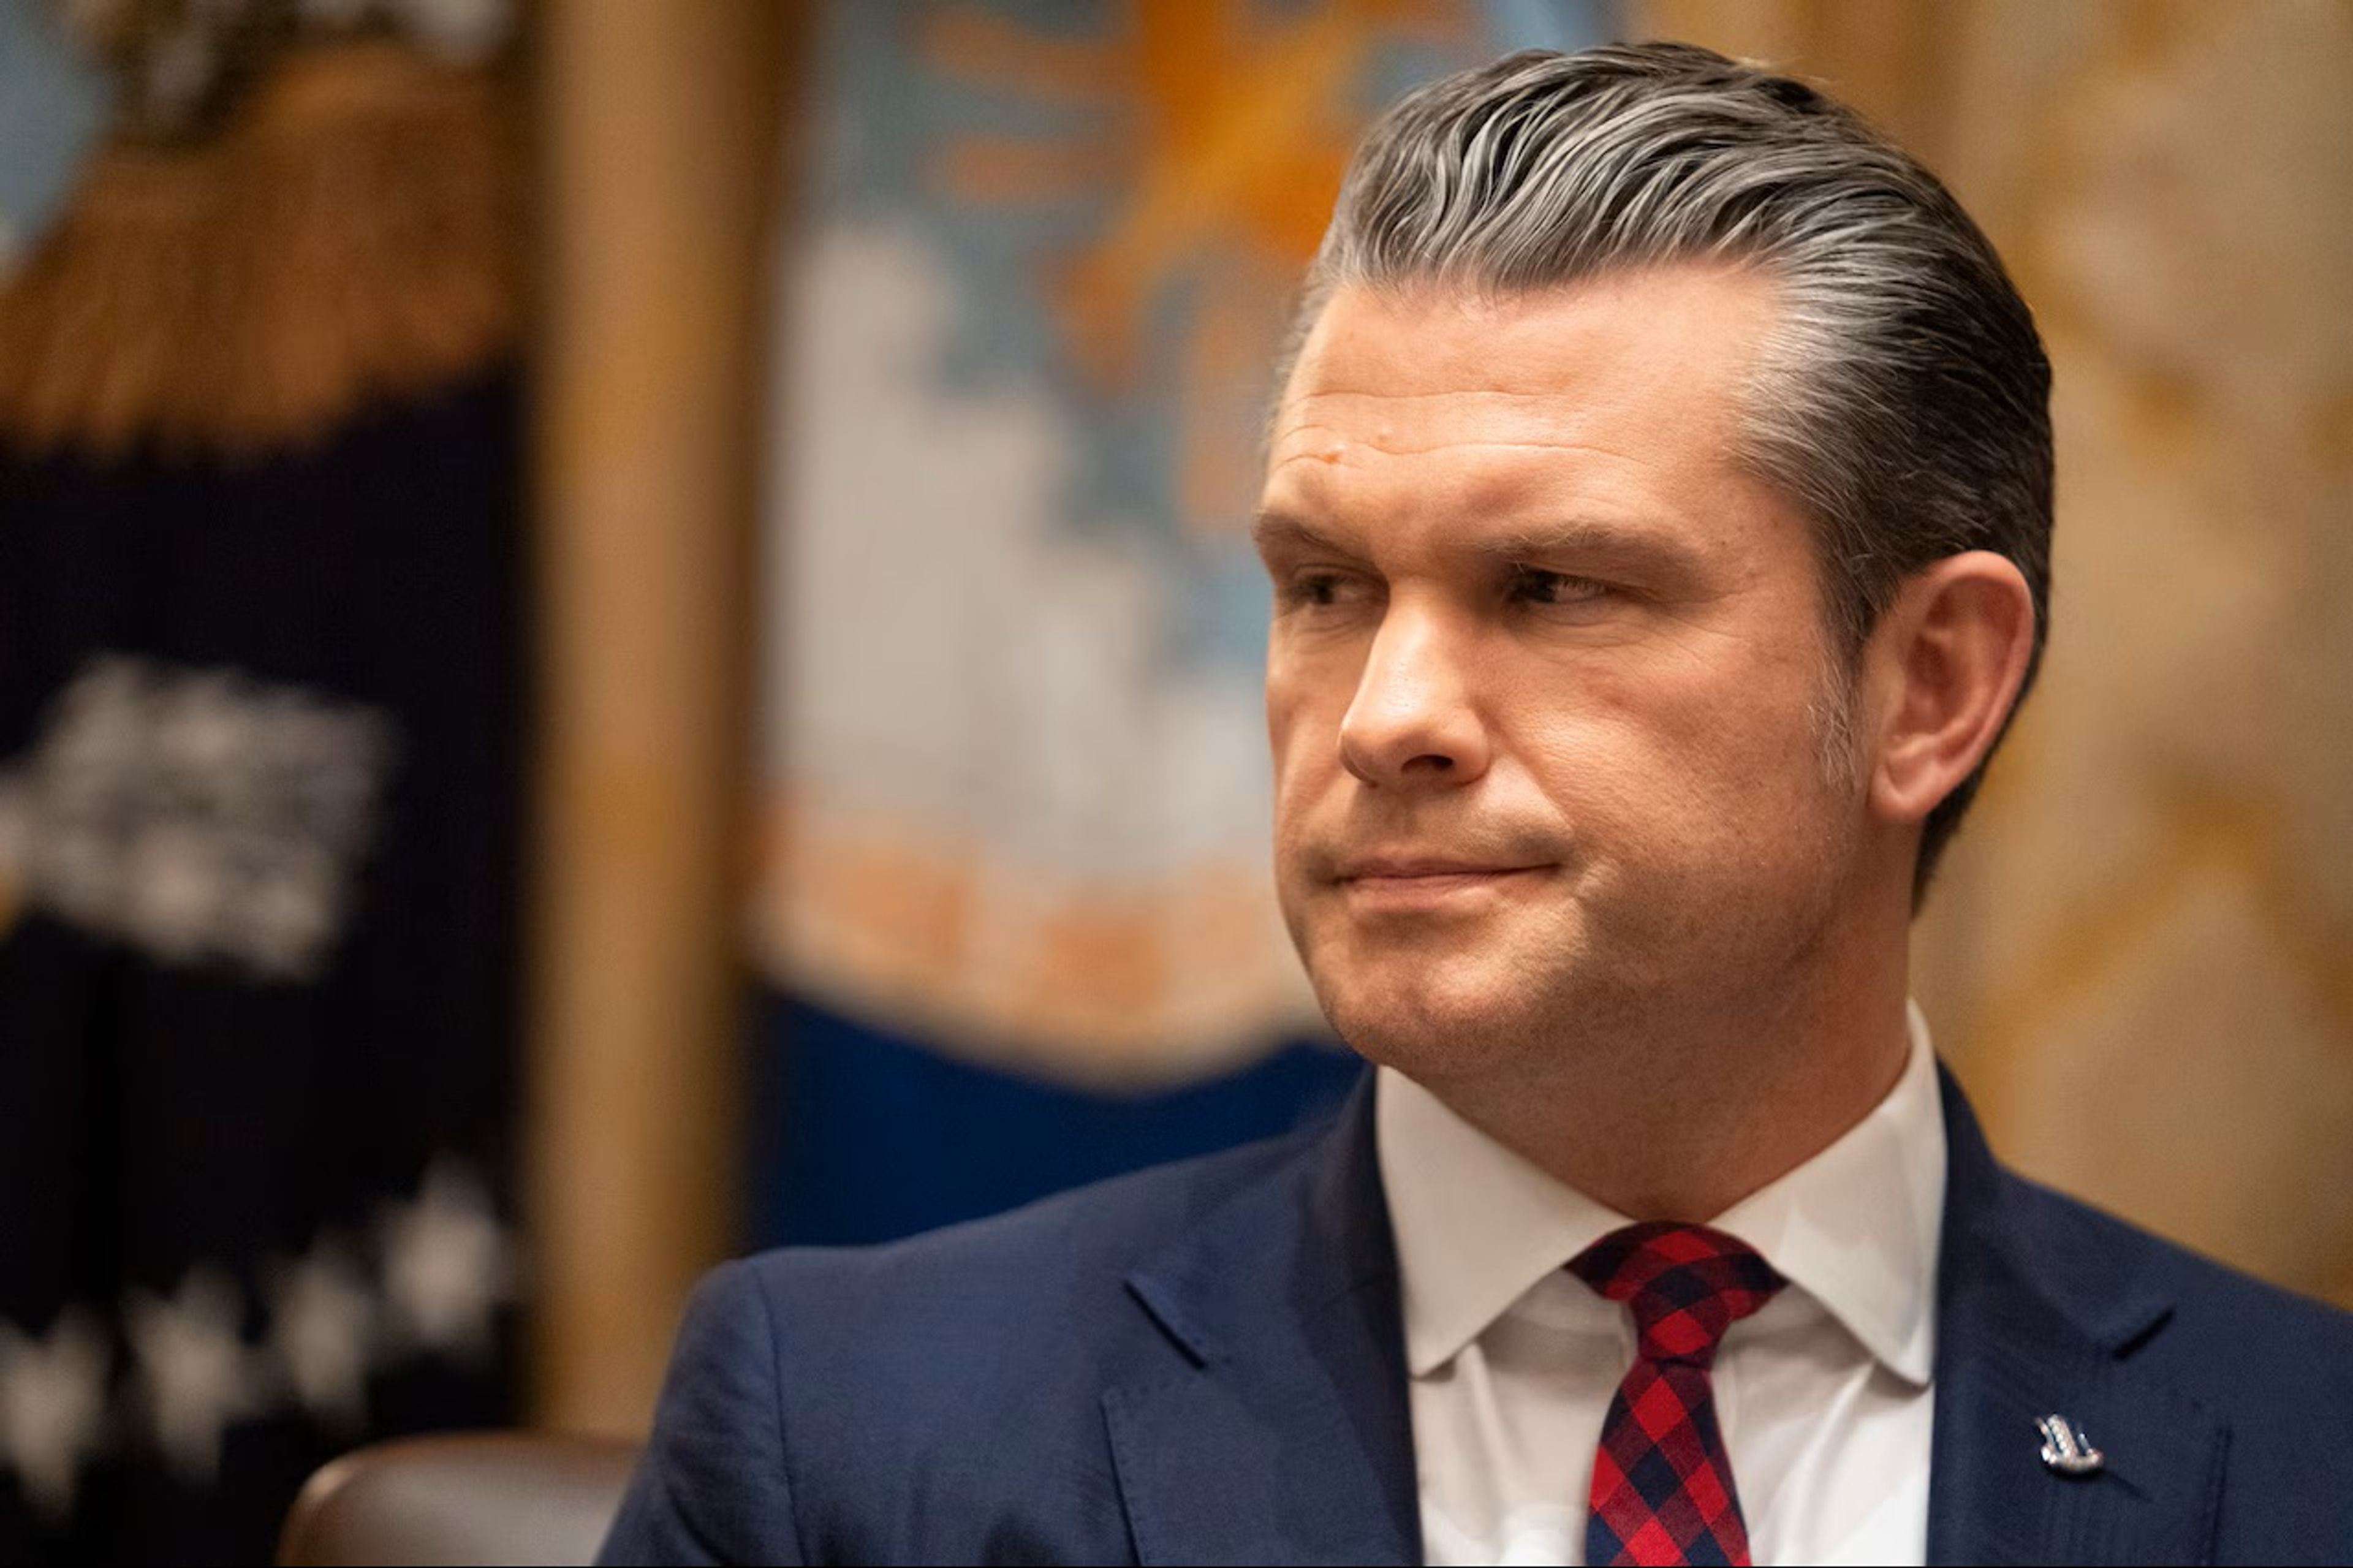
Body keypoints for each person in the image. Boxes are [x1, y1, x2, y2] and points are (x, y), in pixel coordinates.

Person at [599, 42, 2353, 1567]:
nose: (1386, 719)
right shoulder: (853, 1442)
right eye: (1327, 589)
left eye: (1553, 588)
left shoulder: (2305, 1465)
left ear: (1931, 687)